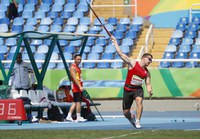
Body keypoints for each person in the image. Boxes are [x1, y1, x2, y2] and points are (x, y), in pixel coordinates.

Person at [111, 35, 153, 129]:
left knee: (139, 100)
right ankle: (132, 119)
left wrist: (150, 90)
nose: (150, 61)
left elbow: (148, 83)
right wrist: (115, 43)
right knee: (126, 112)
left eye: (151, 60)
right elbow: (121, 54)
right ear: (143, 58)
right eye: (149, 59)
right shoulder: (133, 63)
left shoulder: (147, 72)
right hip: (127, 89)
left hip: (137, 89)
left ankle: (138, 121)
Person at [65, 54, 87, 122]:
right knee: (78, 102)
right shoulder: (73, 67)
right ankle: (78, 116)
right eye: (78, 59)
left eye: (80, 59)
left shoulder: (77, 67)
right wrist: (79, 86)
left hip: (78, 85)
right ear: (74, 59)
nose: (79, 61)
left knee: (75, 102)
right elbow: (74, 78)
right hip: (76, 86)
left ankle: (69, 116)